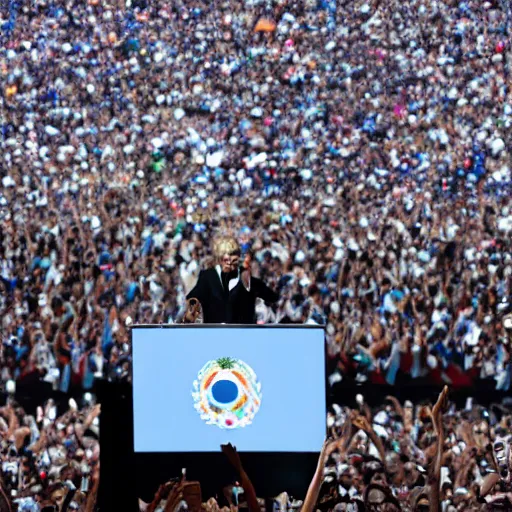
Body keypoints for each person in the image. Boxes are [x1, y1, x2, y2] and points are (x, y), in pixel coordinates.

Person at [186, 237, 279, 324]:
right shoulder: (207, 277)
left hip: (243, 335)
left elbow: (272, 297)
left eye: (234, 255)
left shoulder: (246, 277)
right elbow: (193, 298)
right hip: (214, 334)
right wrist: (192, 311)